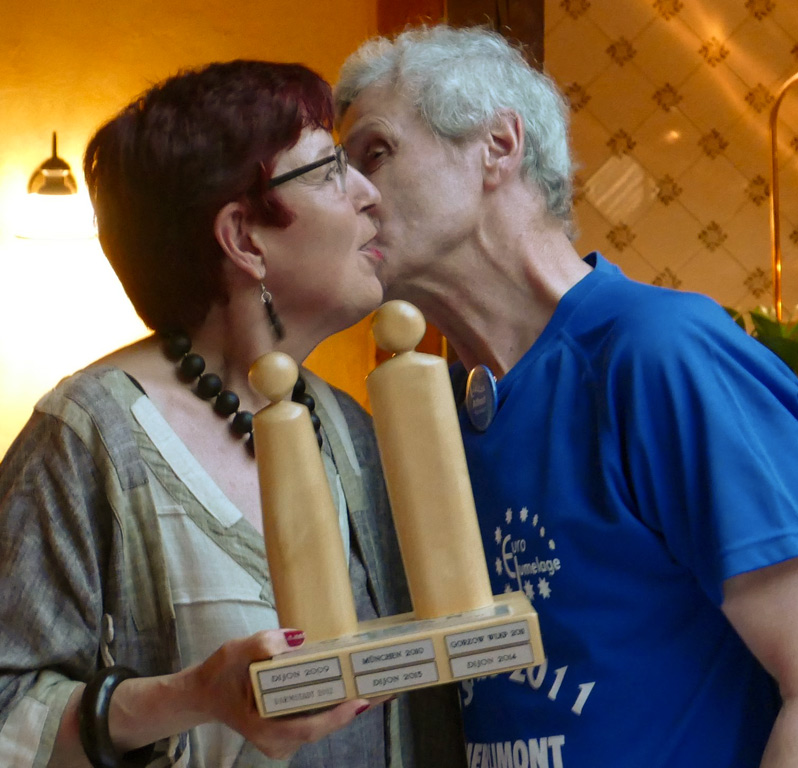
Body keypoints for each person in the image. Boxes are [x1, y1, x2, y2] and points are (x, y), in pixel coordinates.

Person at [335, 25, 798, 767]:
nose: (349, 194)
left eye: (375, 153)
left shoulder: (660, 353)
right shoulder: (436, 412)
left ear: (497, 147)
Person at [0, 60, 463, 768]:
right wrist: (193, 695)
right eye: (330, 169)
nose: (370, 193)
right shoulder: (88, 438)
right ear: (244, 238)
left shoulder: (351, 428)